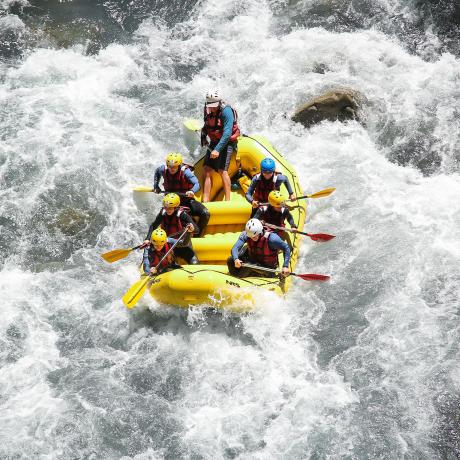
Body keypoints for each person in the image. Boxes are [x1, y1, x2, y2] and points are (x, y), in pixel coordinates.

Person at [153, 152, 210, 236]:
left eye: (175, 167)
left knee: (205, 213)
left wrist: (192, 191)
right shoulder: (162, 169)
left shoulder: (186, 172)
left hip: (186, 200)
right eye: (170, 166)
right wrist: (156, 186)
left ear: (179, 165)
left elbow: (197, 184)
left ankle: (198, 234)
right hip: (172, 204)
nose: (172, 169)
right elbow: (157, 172)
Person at [201, 89, 240, 202]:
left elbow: (227, 133)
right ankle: (205, 200)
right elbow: (206, 124)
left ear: (219, 102)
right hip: (214, 140)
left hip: (227, 142)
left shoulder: (226, 111)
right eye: (210, 105)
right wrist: (203, 137)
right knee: (207, 169)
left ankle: (228, 200)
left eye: (213, 105)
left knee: (222, 170)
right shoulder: (207, 108)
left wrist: (217, 149)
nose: (211, 108)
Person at [144, 193, 199, 264]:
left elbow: (197, 230)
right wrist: (147, 239)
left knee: (195, 263)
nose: (168, 210)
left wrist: (192, 229)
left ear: (176, 207)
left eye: (170, 207)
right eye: (166, 207)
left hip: (183, 244)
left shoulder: (182, 215)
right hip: (168, 245)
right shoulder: (163, 213)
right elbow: (153, 225)